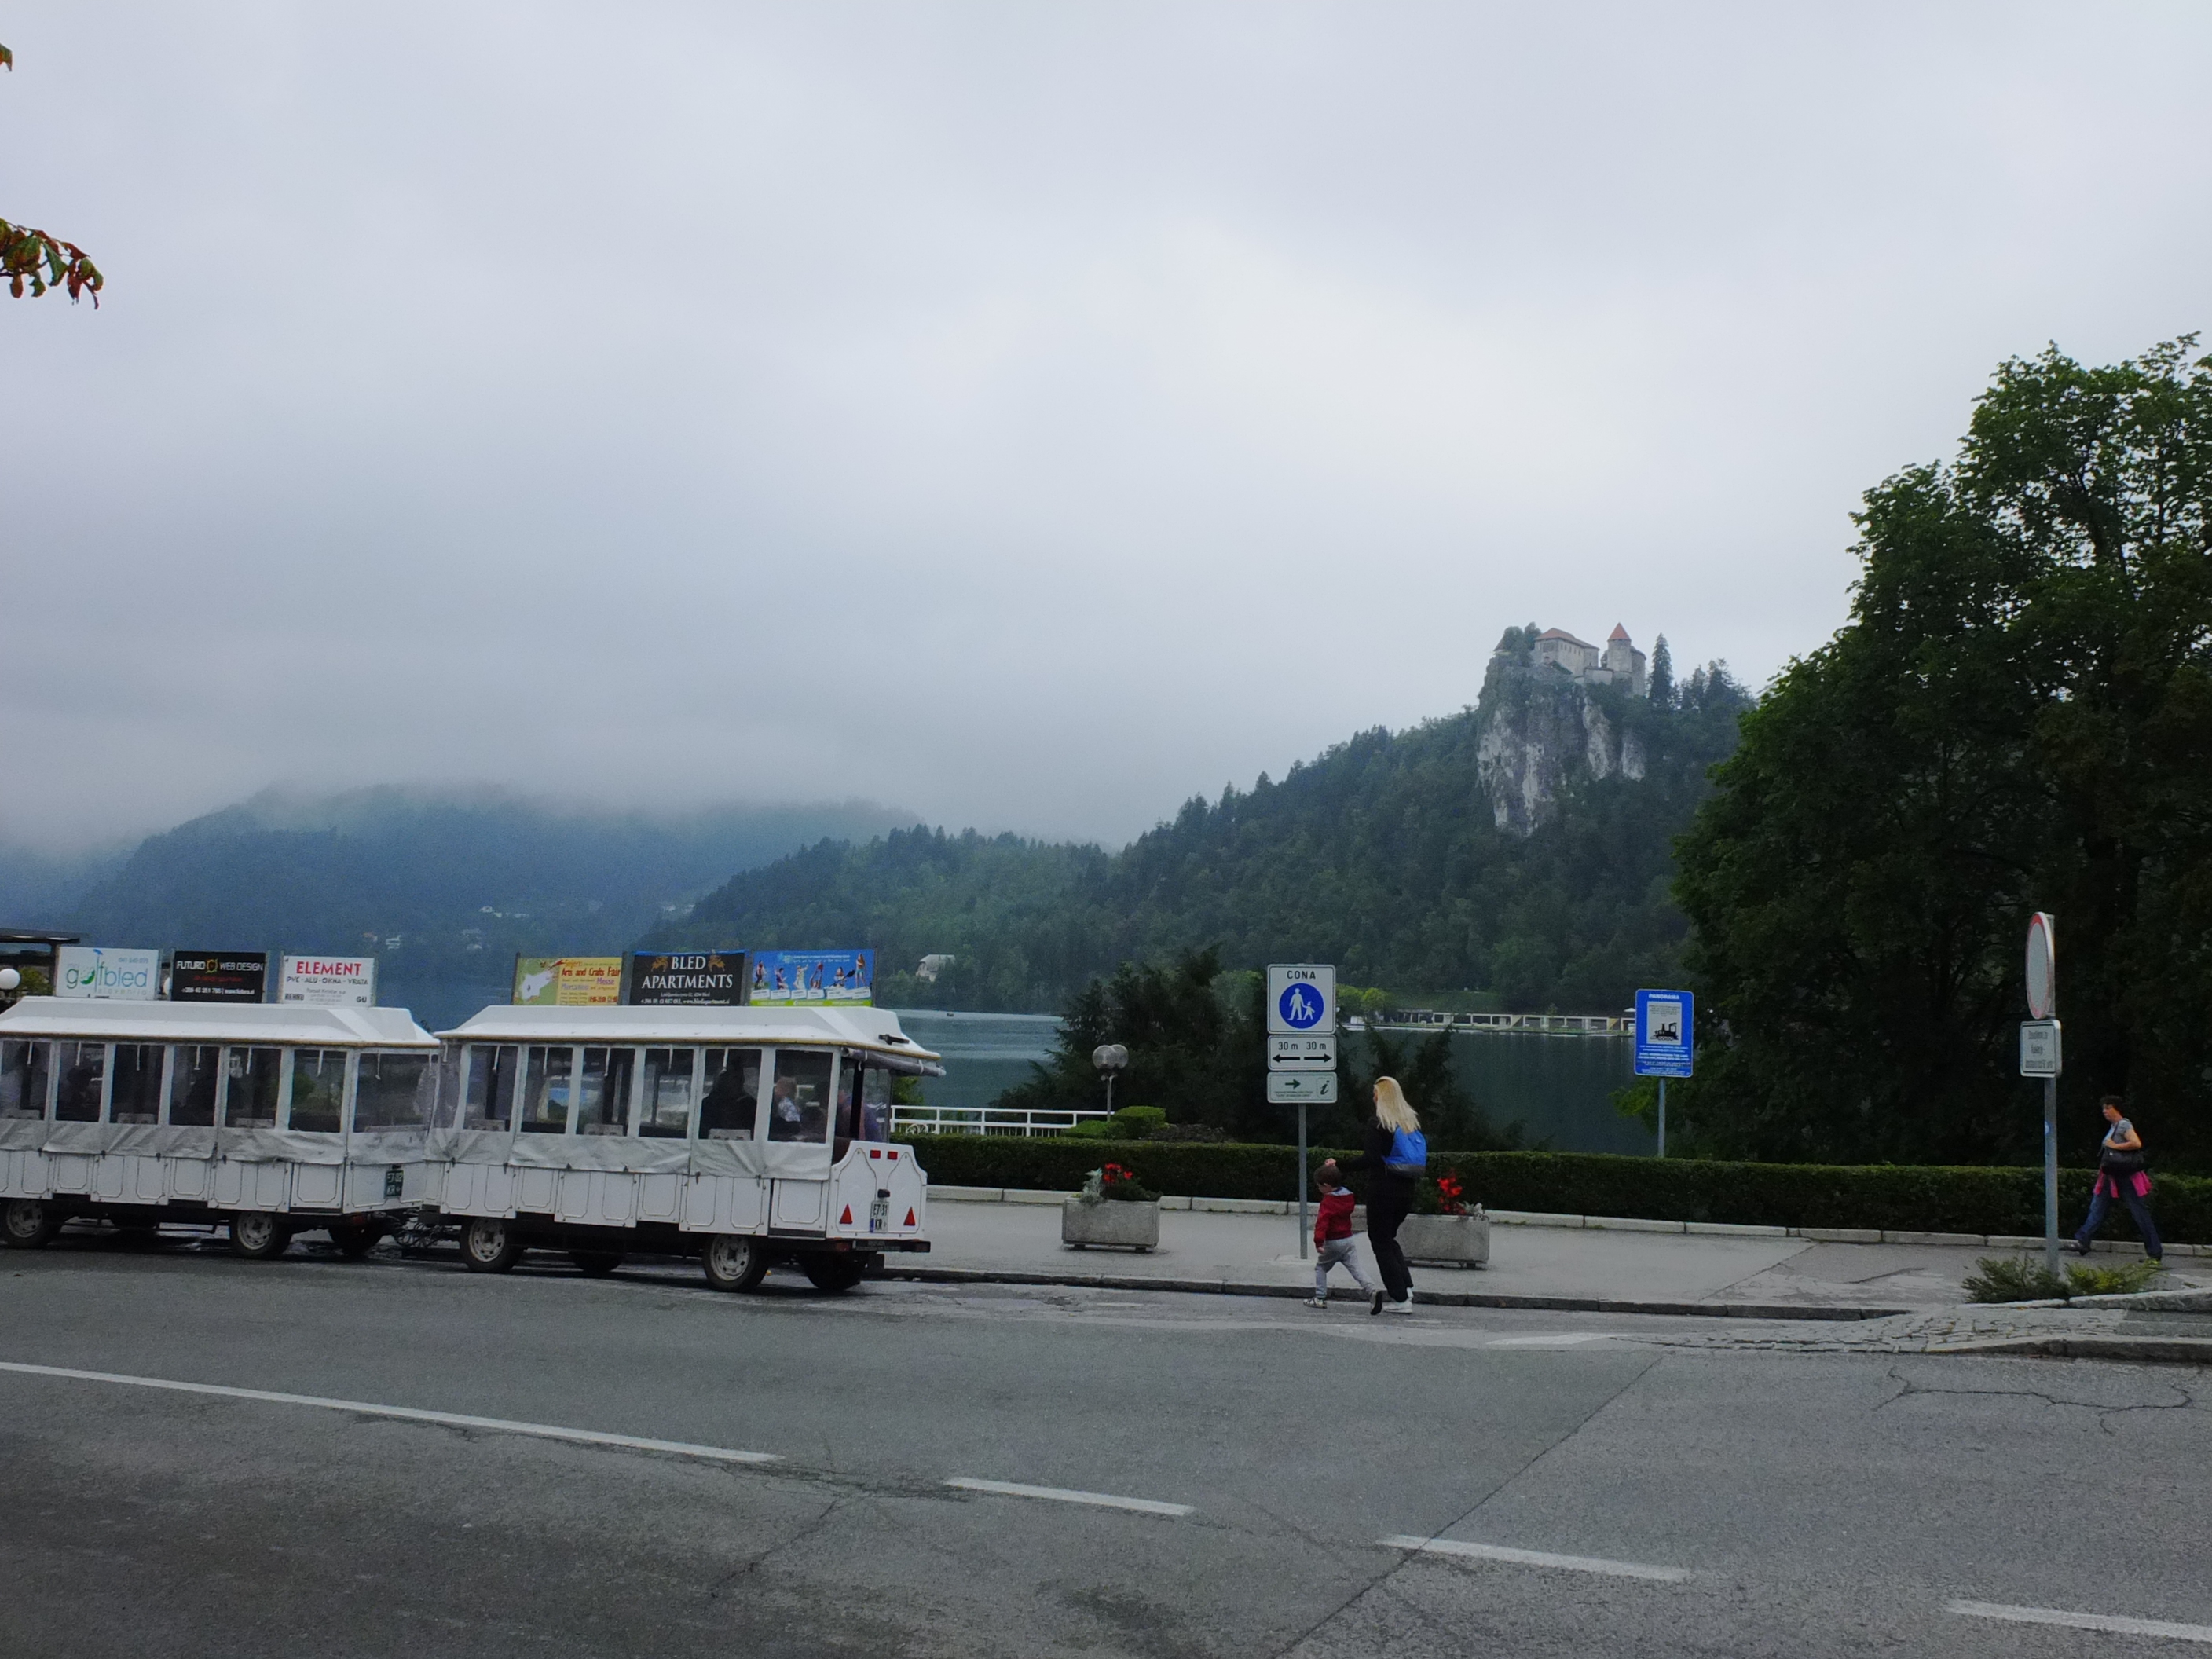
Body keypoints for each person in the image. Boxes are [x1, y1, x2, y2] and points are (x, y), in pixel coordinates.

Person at [1337, 1076, 1424, 1315]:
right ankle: (1406, 1288)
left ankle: (1400, 1298)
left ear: (1381, 1097)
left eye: (1375, 1093)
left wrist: (1340, 1165)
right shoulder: (1409, 1124)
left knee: (1380, 1242)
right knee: (1389, 1238)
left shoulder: (1378, 1123)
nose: (1373, 1097)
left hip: (1383, 1190)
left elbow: (1371, 1159)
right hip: (1406, 1190)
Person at [2073, 1096, 2163, 1263]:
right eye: (2103, 1108)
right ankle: (2083, 1241)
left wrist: (2115, 1146)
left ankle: (2154, 1252)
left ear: (2117, 1109)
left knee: (2139, 1213)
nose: (2105, 1111)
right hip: (2110, 1176)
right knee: (2097, 1207)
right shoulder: (2113, 1127)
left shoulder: (2124, 1125)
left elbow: (2136, 1143)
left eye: (2108, 1108)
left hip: (2126, 1176)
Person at [1306, 1159, 1379, 1308]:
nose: (1318, 1188)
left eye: (1319, 1186)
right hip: (1348, 1239)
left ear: (1326, 1186)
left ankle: (1320, 1298)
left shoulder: (1328, 1202)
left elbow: (1322, 1223)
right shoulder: (1348, 1197)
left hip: (1333, 1241)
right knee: (1356, 1268)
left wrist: (1318, 1242)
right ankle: (1371, 1290)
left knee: (1321, 1268)